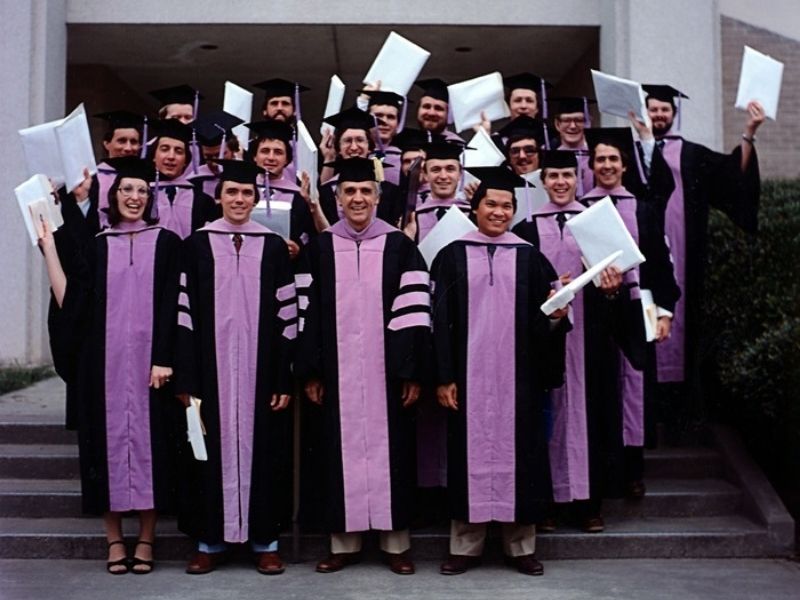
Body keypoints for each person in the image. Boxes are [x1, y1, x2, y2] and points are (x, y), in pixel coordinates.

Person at [42, 156, 181, 575]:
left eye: (141, 190)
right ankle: (115, 541)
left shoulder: (168, 243)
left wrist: (165, 359)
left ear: (150, 196)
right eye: (126, 190)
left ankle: (146, 539)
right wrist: (49, 248)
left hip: (151, 372)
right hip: (102, 372)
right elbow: (71, 304)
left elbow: (176, 308)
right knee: (105, 454)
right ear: (113, 196)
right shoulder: (98, 245)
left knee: (152, 452)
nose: (134, 197)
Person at [432, 166, 570, 576]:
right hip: (467, 381)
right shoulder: (451, 254)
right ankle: (465, 546)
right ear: (474, 208)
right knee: (467, 457)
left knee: (521, 459)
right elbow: (437, 323)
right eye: (490, 204)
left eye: (506, 205)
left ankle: (519, 546)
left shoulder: (530, 257)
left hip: (518, 382)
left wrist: (556, 316)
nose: (498, 211)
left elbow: (548, 320)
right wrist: (443, 377)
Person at [296, 157, 431, 575]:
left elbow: (413, 312)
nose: (357, 198)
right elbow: (307, 314)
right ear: (336, 199)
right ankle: (344, 543)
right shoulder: (319, 249)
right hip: (336, 376)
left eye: (365, 192)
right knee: (337, 453)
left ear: (377, 198)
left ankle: (395, 544)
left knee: (392, 452)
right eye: (349, 192)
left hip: (386, 375)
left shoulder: (401, 247)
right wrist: (312, 371)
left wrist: (409, 371)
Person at [174, 160, 296, 576]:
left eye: (246, 193)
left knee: (266, 453)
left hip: (262, 375)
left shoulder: (274, 246)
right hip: (210, 373)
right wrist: (187, 379)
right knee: (206, 453)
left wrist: (283, 378)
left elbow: (287, 317)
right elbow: (183, 317)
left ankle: (266, 542)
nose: (240, 200)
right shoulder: (197, 245)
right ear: (219, 197)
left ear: (256, 198)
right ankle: (209, 542)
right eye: (232, 193)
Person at [631, 85, 764, 437]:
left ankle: (677, 417)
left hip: (683, 260)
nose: (659, 115)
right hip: (640, 261)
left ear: (674, 114)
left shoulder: (692, 155)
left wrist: (748, 132)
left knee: (682, 329)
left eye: (664, 110)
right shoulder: (626, 154)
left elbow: (734, 177)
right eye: (653, 110)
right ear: (643, 114)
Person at [513, 151, 635, 530]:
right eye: (553, 176)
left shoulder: (598, 224)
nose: (561, 182)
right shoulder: (528, 229)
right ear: (543, 181)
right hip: (547, 343)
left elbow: (620, 291)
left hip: (591, 343)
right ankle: (547, 504)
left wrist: (612, 292)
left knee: (592, 418)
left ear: (577, 176)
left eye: (567, 174)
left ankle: (588, 505)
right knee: (545, 421)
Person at [577, 127, 680, 530]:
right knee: (602, 392)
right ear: (591, 165)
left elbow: (660, 263)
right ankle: (603, 481)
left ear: (623, 165)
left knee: (635, 391)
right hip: (594, 309)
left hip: (637, 307)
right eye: (599, 159)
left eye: (613, 160)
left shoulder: (642, 208)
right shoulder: (579, 208)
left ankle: (633, 471)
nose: (606, 166)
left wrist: (667, 310)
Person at [245, 119, 322, 257]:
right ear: (254, 157)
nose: (271, 157)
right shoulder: (243, 190)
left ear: (287, 160)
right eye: (265, 151)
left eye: (278, 152)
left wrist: (298, 250)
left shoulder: (300, 196)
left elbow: (309, 237)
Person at [318, 107, 403, 227]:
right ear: (338, 149)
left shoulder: (390, 192)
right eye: (347, 141)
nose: (353, 147)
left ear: (370, 148)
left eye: (360, 140)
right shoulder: (325, 192)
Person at [148, 119, 218, 239]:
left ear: (186, 160)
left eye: (178, 151)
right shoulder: (142, 195)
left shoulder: (203, 201)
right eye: (164, 149)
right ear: (153, 156)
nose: (171, 156)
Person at [408, 140, 471, 243]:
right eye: (435, 170)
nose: (443, 176)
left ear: (460, 174)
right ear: (425, 174)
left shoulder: (472, 215)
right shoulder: (413, 218)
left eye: (450, 169)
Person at [187, 110, 244, 198]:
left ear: (233, 150)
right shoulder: (195, 180)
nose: (214, 163)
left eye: (220, 155)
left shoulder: (246, 176)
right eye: (208, 157)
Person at [550, 96, 596, 197]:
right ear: (557, 124)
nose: (572, 126)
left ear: (588, 123)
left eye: (579, 120)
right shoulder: (549, 159)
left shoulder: (598, 157)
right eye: (566, 120)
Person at [414, 78, 463, 142]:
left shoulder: (457, 146)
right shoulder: (403, 143)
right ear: (418, 110)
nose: (431, 113)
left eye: (439, 108)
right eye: (426, 106)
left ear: (448, 114)